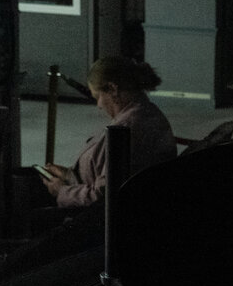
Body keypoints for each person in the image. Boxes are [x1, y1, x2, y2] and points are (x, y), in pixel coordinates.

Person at [40, 55, 177, 209]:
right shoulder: (142, 114)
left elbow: (103, 196)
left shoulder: (127, 129)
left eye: (98, 97)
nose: (99, 105)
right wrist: (68, 176)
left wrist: (62, 192)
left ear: (113, 89)